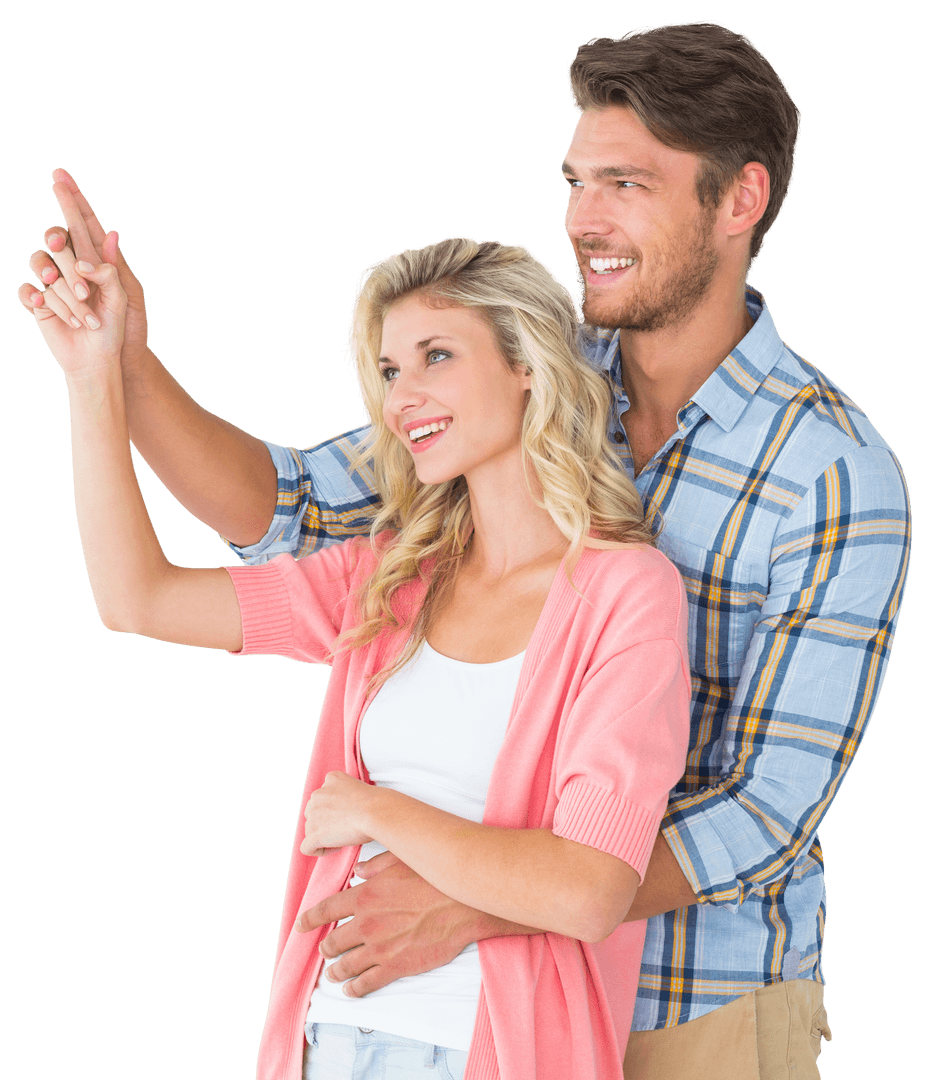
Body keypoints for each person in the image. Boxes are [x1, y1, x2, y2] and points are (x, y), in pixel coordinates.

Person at [19, 21, 912, 1080]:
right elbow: (290, 506)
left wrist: (480, 901)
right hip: (425, 1008)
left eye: (625, 183)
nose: (584, 218)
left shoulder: (833, 473)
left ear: (739, 200)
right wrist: (118, 369)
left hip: (698, 1004)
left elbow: (765, 811)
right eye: (575, 180)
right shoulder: (527, 373)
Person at [26, 233, 692, 1079]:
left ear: (528, 363)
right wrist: (95, 379)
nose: (403, 396)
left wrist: (379, 812)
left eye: (435, 357)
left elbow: (590, 889)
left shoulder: (626, 594)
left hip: (489, 1049)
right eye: (387, 372)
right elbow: (137, 600)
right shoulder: (391, 579)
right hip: (327, 1038)